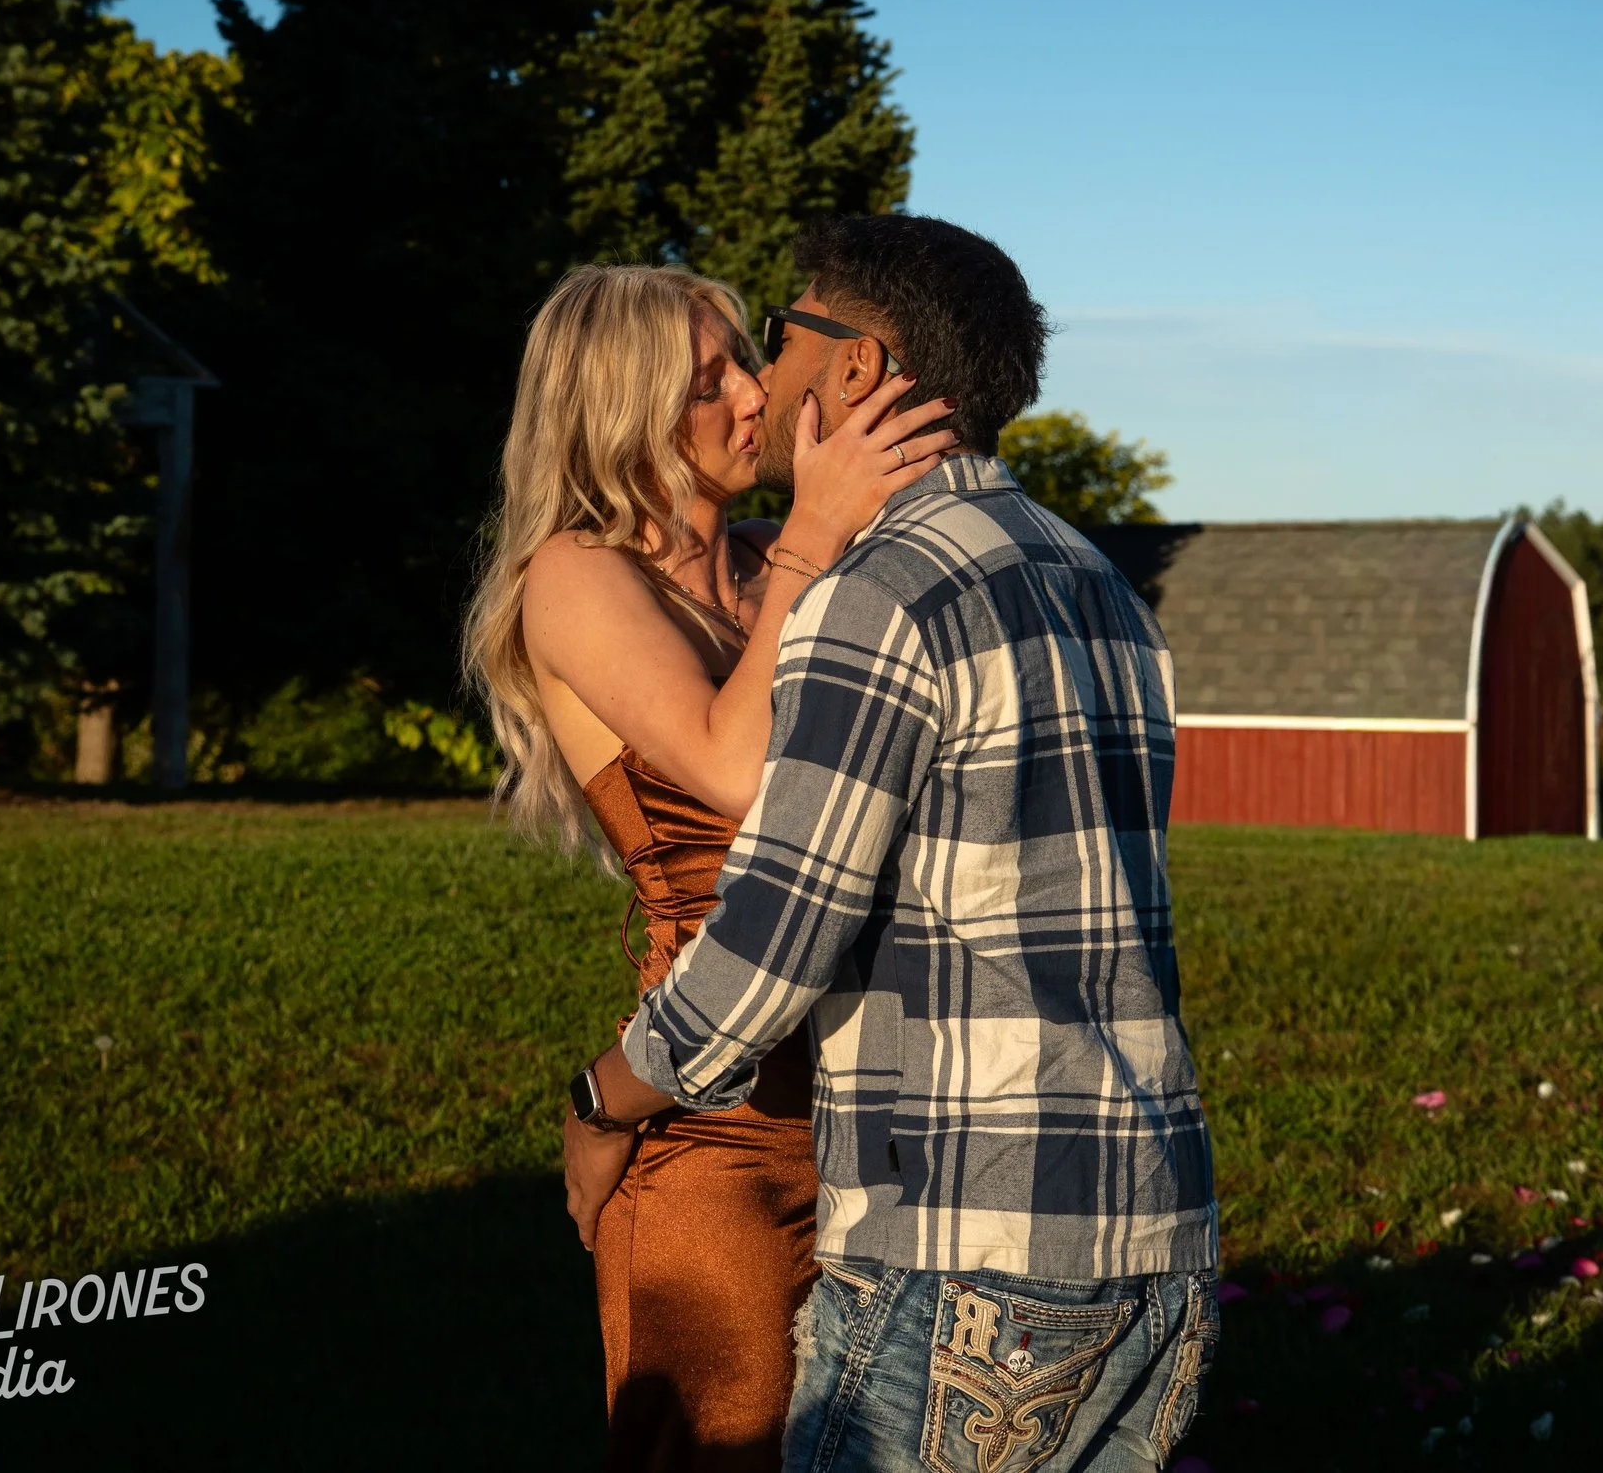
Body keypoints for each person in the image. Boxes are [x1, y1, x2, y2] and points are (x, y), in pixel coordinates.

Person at [561, 216, 1221, 1473]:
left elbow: (771, 943)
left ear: (857, 366)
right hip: (1159, 1232)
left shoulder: (880, 590)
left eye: (786, 335)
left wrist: (601, 1101)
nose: (765, 379)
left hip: (975, 1241)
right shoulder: (1096, 583)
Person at [463, 262, 959, 1471]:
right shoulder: (577, 576)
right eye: (710, 379)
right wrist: (811, 534)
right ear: (626, 414)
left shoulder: (762, 564)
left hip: (875, 1104)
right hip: (712, 1131)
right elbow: (739, 777)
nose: (756, 395)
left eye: (749, 358)